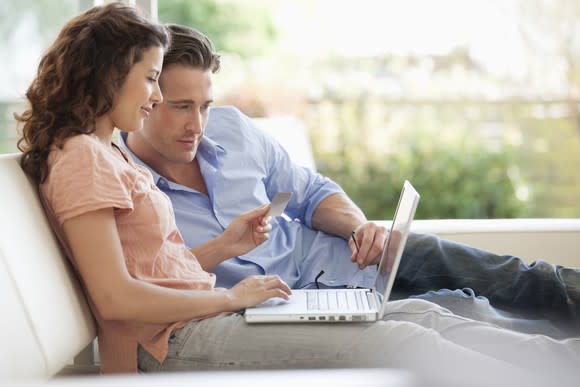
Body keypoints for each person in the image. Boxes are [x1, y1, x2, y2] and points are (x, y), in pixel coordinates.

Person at [15, 4, 579, 382]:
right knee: (404, 339)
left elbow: (149, 268)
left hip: (194, 319)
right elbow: (116, 300)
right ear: (109, 75)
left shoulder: (99, 151)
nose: (155, 96)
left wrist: (225, 248)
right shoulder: (84, 158)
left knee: (428, 317)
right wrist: (232, 296)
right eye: (151, 80)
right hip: (171, 342)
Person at [121, 24, 580, 339]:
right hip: (298, 308)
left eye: (204, 105)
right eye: (181, 106)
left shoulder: (232, 128)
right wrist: (223, 247)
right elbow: (154, 284)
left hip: (348, 256)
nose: (197, 124)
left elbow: (310, 191)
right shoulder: (127, 186)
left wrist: (358, 227)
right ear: (145, 96)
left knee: (517, 278)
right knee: (480, 317)